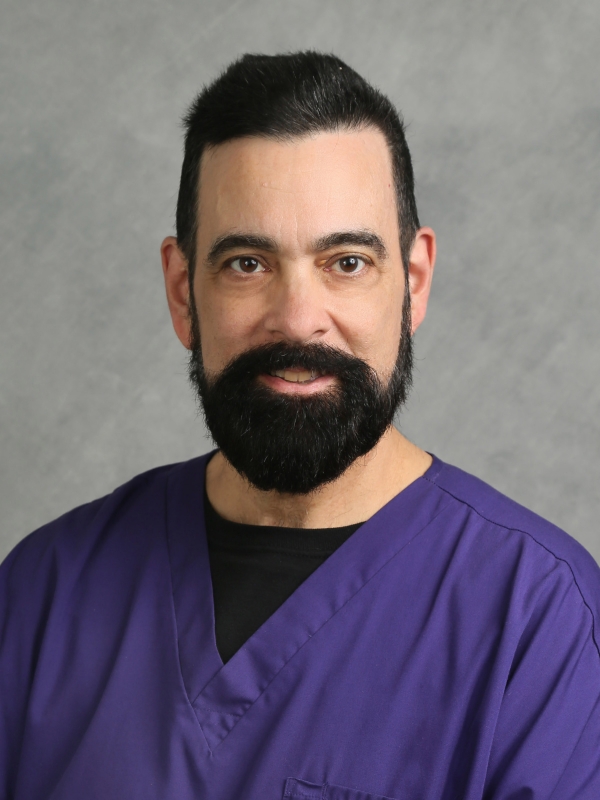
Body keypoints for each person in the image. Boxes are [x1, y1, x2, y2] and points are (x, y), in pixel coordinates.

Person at [1, 51, 599, 800]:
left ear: (413, 284)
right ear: (183, 292)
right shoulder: (42, 594)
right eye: (247, 264)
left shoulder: (539, 619)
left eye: (346, 262)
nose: (296, 319)